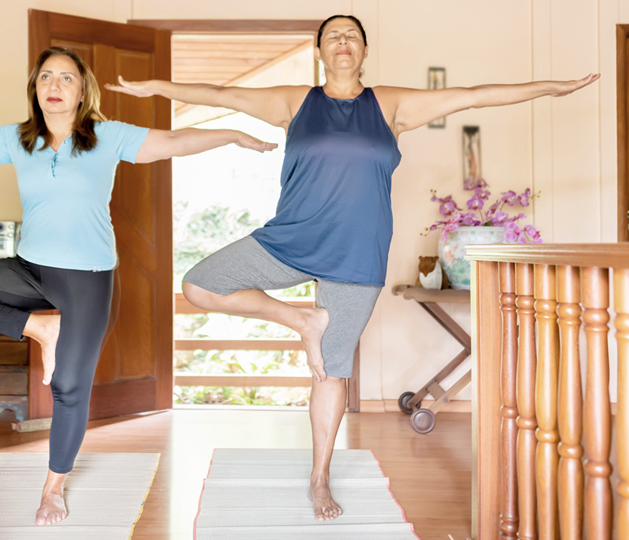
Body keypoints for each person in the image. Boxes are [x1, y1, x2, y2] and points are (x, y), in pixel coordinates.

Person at [107, 14, 599, 522]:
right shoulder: (294, 102)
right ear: (320, 51)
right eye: (332, 36)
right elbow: (220, 94)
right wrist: (157, 86)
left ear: (364, 50)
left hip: (356, 252)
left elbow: (474, 94)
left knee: (331, 368)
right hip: (291, 238)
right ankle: (303, 321)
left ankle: (320, 476)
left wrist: (552, 88)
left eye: (352, 36)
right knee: (199, 284)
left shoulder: (391, 104)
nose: (342, 42)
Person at [0, 46, 276, 526]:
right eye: (46, 76)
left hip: (87, 279)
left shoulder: (107, 138)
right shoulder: (17, 140)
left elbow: (172, 140)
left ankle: (53, 487)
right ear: (36, 88)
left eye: (66, 78)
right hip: (30, 269)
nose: (54, 85)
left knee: (69, 386)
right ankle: (39, 327)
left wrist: (233, 134)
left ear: (82, 90)